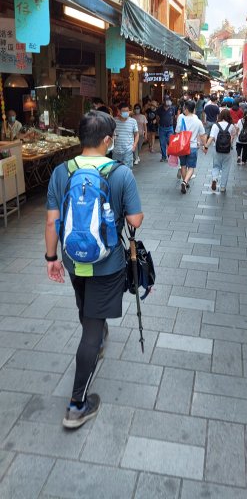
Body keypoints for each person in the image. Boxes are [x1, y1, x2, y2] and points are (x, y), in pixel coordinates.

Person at [45, 110, 143, 428]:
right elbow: (135, 220)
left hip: (75, 260)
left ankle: (97, 336)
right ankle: (77, 405)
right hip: (107, 263)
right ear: (106, 140)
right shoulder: (120, 172)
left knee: (86, 311)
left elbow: (51, 220)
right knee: (91, 327)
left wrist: (51, 259)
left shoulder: (62, 171)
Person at [175, 100, 206, 194]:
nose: (183, 109)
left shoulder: (181, 119)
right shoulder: (198, 121)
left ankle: (185, 182)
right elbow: (203, 135)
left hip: (182, 146)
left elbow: (177, 132)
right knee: (191, 167)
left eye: (184, 108)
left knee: (183, 165)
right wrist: (205, 146)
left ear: (187, 109)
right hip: (192, 146)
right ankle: (185, 182)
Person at [204, 110, 236, 193]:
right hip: (227, 151)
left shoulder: (215, 125)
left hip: (216, 149)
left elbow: (211, 138)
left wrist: (206, 147)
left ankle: (214, 179)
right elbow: (232, 137)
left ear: (220, 116)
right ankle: (222, 187)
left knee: (216, 166)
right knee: (226, 168)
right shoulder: (231, 126)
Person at [111, 102, 139, 169]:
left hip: (128, 150)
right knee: (115, 170)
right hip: (116, 151)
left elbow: (136, 134)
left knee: (127, 170)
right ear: (119, 111)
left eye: (127, 111)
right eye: (123, 111)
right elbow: (110, 134)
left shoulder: (133, 121)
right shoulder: (114, 121)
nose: (126, 113)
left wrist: (134, 145)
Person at [156, 96, 176, 162]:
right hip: (162, 128)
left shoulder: (172, 108)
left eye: (169, 100)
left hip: (170, 128)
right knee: (162, 143)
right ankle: (164, 157)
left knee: (170, 142)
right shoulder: (159, 109)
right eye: (166, 100)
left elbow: (173, 117)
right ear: (163, 101)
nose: (168, 101)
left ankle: (170, 156)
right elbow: (157, 118)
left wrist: (174, 127)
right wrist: (159, 125)